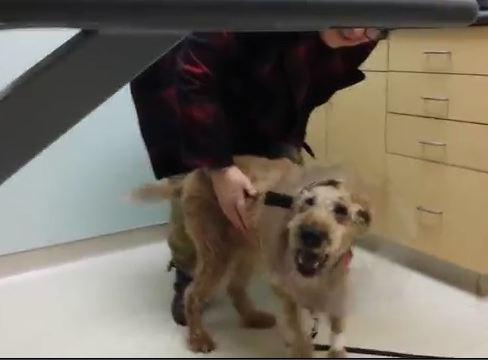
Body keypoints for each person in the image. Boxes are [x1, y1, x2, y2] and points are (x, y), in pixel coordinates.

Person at [130, 28, 379, 326]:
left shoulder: (367, 32)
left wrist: (284, 147)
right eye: (348, 15)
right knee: (196, 190)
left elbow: (308, 87)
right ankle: (188, 270)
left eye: (372, 26)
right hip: (189, 84)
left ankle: (269, 266)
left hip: (265, 87)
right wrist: (220, 168)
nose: (356, 31)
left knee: (286, 184)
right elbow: (195, 76)